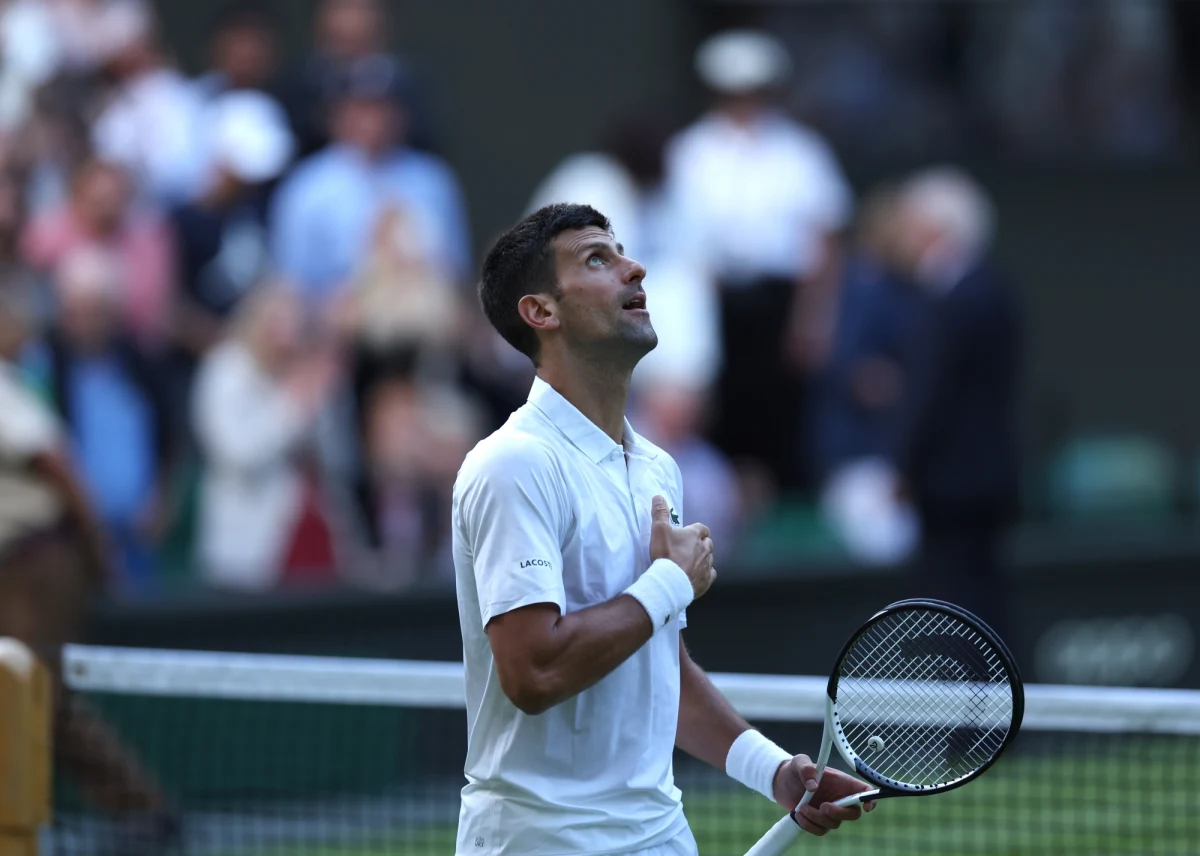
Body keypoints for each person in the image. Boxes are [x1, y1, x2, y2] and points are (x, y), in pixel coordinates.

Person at [452, 203, 872, 856]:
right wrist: (669, 583)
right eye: (598, 258)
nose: (634, 267)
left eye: (620, 251)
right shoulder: (513, 465)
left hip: (660, 837)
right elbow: (531, 672)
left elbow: (655, 667)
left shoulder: (657, 469)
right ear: (542, 312)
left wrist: (775, 772)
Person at [0, 283, 174, 850]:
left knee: (34, 697)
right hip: (21, 566)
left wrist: (98, 552)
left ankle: (146, 815)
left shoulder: (7, 387)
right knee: (31, 697)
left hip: (42, 564)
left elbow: (62, 469)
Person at [664, 30, 854, 493]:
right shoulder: (691, 151)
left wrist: (814, 319)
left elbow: (825, 240)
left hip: (778, 302)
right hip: (713, 299)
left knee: (783, 416)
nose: (744, 103)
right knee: (719, 412)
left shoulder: (800, 152)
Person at [887, 167, 1022, 636]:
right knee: (982, 598)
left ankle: (978, 704)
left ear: (934, 229)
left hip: (951, 483)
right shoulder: (992, 288)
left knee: (958, 607)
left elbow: (930, 394)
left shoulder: (952, 298)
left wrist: (903, 466)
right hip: (986, 476)